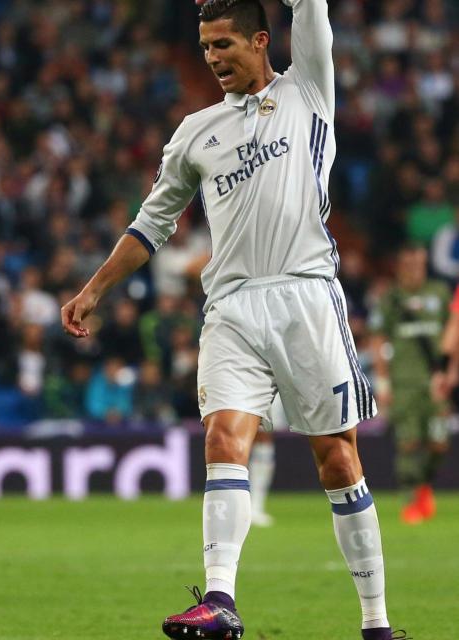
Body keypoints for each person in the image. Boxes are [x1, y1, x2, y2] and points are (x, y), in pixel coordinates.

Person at [60, 1, 398, 638]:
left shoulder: (308, 91)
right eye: (206, 47)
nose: (212, 57)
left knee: (337, 459)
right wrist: (94, 288)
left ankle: (376, 622)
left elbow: (312, 6)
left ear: (261, 40)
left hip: (307, 296)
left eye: (223, 44)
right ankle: (220, 600)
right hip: (232, 306)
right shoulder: (196, 131)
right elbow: (152, 222)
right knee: (222, 439)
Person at [371, 245, 451, 524]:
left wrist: (447, 372)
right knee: (408, 442)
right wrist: (382, 384)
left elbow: (451, 332)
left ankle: (423, 485)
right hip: (403, 383)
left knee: (440, 442)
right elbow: (378, 339)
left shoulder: (439, 293)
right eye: (410, 264)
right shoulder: (390, 298)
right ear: (400, 266)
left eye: (420, 263)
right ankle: (410, 499)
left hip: (433, 382)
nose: (416, 269)